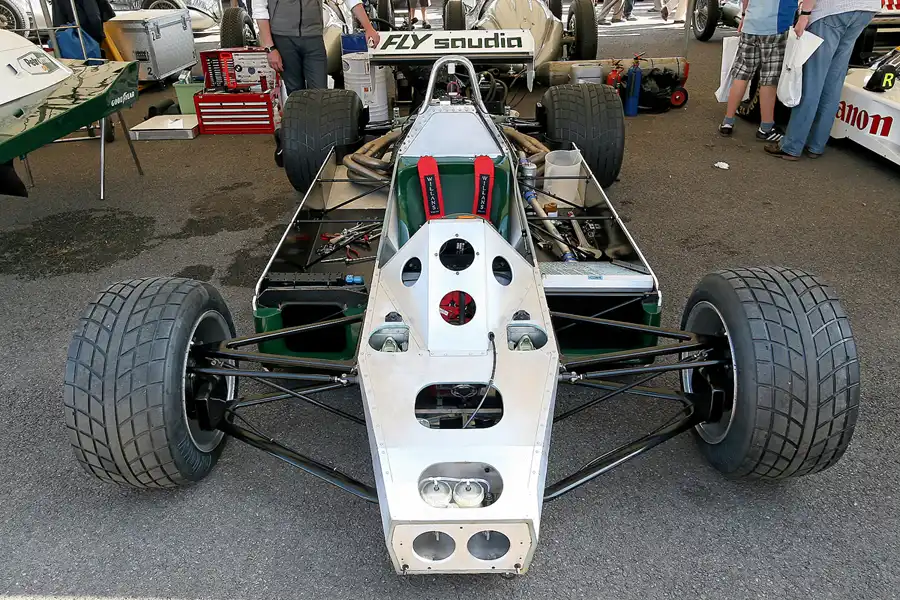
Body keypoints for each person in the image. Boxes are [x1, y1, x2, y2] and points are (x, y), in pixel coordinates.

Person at [765, 0, 881, 159]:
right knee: (834, 80)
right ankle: (816, 144)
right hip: (866, 8)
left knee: (812, 79)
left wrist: (804, 14)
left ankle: (792, 145)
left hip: (831, 10)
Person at [251, 0, 381, 94]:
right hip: (283, 40)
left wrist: (368, 27)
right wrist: (270, 48)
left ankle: (318, 129)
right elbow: (259, 8)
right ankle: (298, 129)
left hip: (314, 38)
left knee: (319, 92)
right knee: (295, 92)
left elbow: (350, 0)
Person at [718, 0, 797, 141]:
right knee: (769, 79)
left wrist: (744, 15)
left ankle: (727, 122)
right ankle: (766, 128)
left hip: (750, 24)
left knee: (741, 75)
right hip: (776, 26)